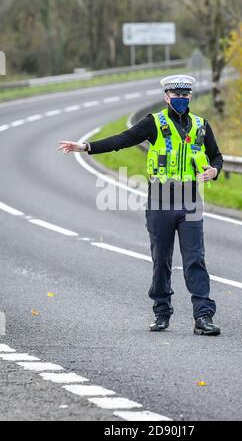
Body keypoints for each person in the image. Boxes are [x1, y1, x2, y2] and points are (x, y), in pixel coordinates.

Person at [58, 75, 223, 336]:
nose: (180, 99)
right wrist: (87, 146)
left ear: (190, 96)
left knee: (195, 260)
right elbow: (122, 140)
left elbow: (216, 155)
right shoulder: (154, 123)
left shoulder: (201, 126)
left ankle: (203, 317)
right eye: (175, 94)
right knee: (161, 260)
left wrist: (214, 170)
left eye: (185, 94)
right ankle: (161, 313)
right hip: (160, 201)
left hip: (191, 200)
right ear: (166, 96)